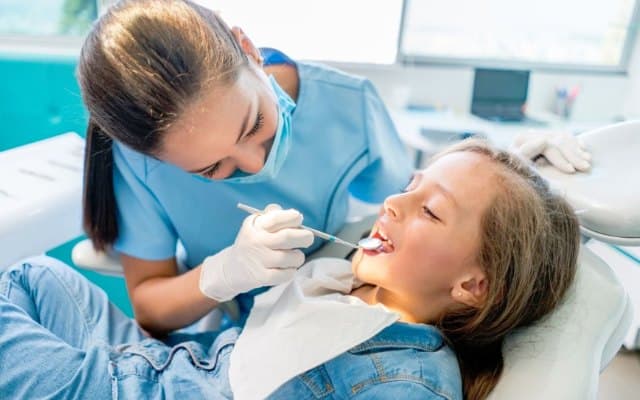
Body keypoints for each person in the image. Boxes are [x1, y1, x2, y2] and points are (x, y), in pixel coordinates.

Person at [78, 0, 589, 336]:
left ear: (248, 49)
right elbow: (149, 305)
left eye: (256, 124)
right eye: (213, 168)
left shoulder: (348, 105)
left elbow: (431, 209)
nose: (255, 165)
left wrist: (521, 176)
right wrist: (220, 275)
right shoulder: (137, 163)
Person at [0, 140, 579, 399]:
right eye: (408, 186)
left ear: (473, 286)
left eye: (428, 209)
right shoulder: (347, 288)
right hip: (163, 365)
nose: (394, 204)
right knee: (28, 274)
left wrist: (520, 203)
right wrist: (507, 162)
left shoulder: (407, 384)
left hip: (125, 391)